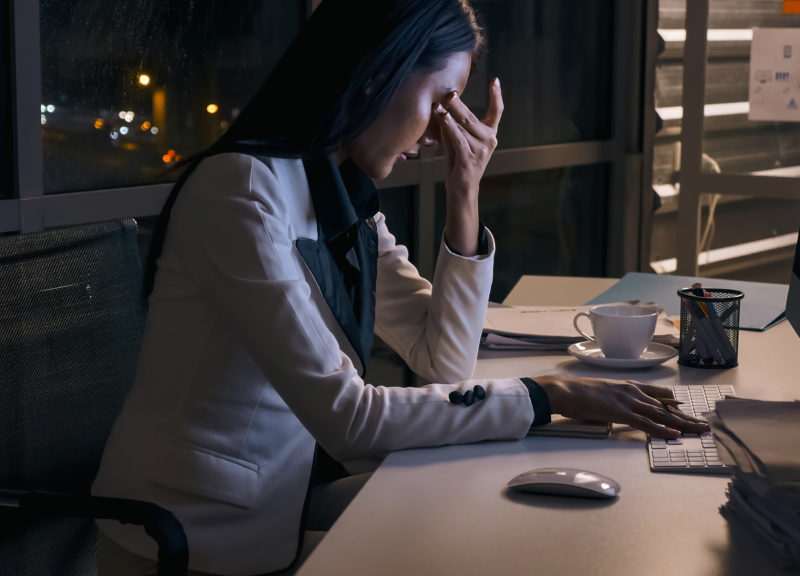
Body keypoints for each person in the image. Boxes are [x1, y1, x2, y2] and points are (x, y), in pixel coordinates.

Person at [92, 1, 708, 574]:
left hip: (278, 500)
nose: (445, 131)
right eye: (443, 100)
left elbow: (444, 364)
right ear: (376, 74)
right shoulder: (242, 193)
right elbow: (349, 418)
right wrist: (544, 395)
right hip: (190, 532)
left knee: (483, 513)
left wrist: (465, 190)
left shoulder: (338, 198)